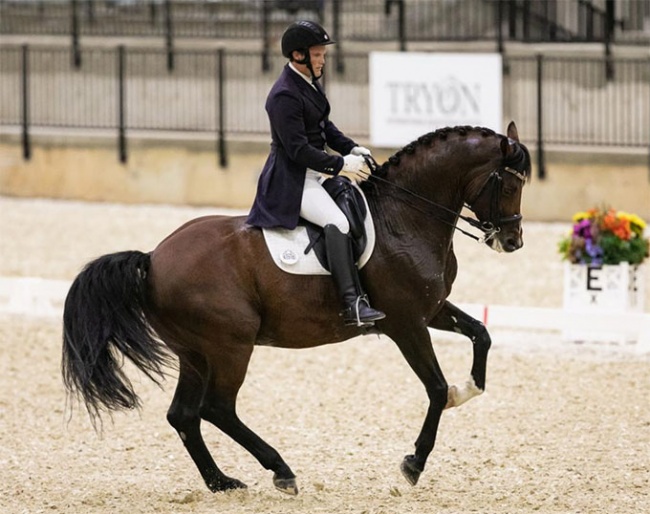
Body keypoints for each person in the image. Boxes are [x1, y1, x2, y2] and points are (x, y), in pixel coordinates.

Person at [247, 20, 385, 327]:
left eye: (323, 54)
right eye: (318, 54)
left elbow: (325, 127)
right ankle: (353, 304)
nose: (323, 60)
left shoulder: (307, 82)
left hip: (317, 175)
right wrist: (341, 166)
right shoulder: (284, 95)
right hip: (293, 181)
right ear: (298, 56)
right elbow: (297, 150)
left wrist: (352, 149)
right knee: (336, 221)